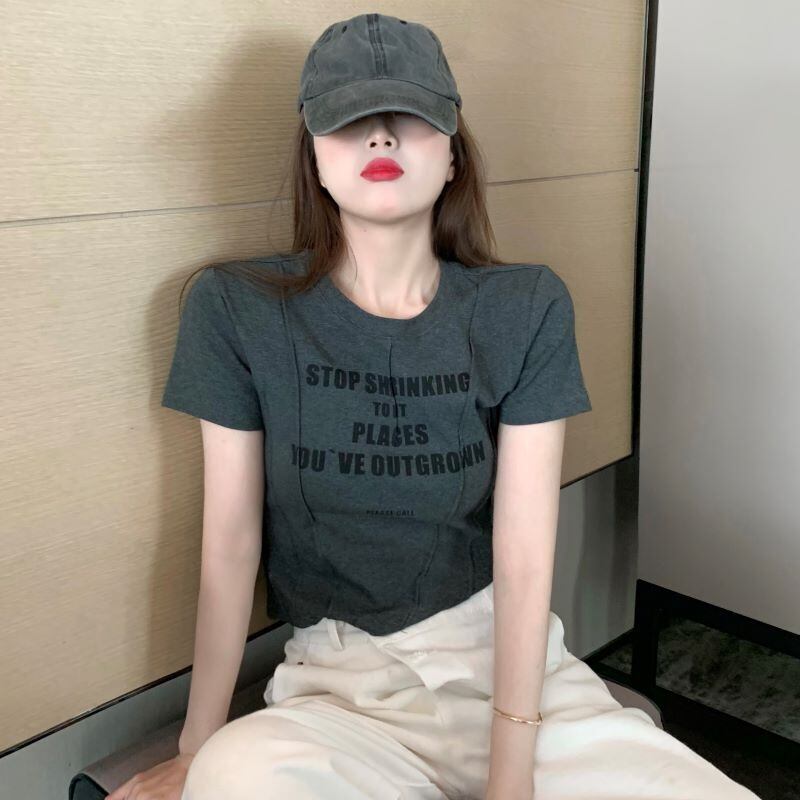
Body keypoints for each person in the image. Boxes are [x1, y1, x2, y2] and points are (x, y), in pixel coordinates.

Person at [108, 12, 761, 800]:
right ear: (314, 157)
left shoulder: (525, 307)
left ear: (453, 153)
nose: (380, 137)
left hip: (514, 681)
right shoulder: (236, 310)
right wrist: (194, 748)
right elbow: (230, 543)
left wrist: (510, 772)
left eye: (409, 117)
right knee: (233, 774)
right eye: (349, 121)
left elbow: (524, 554)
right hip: (340, 694)